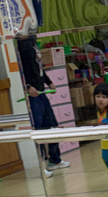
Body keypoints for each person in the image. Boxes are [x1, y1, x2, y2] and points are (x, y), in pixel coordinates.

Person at [16, 25, 70, 177]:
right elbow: (21, 71)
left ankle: (55, 160)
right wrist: (28, 87)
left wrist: (48, 81)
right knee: (38, 129)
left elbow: (39, 67)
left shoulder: (33, 44)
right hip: (33, 95)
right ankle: (40, 164)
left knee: (51, 125)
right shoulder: (21, 48)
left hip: (41, 92)